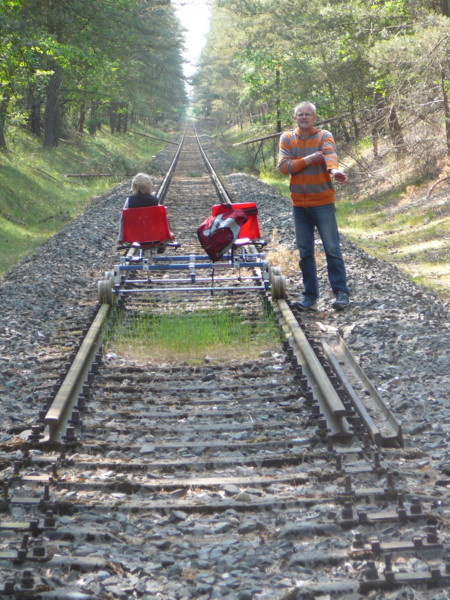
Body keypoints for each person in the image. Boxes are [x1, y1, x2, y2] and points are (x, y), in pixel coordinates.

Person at [278, 101, 350, 310]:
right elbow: (284, 166)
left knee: (332, 249)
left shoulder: (324, 135)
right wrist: (309, 159)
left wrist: (334, 171)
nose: (304, 117)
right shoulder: (287, 138)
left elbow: (329, 154)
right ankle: (310, 295)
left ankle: (341, 293)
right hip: (299, 206)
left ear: (314, 118)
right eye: (300, 114)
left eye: (307, 114)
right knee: (305, 252)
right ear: (295, 118)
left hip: (322, 203)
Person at [118, 173, 159, 242]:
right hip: (152, 233)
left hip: (134, 234)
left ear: (134, 187)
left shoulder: (129, 201)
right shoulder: (155, 200)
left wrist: (120, 238)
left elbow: (123, 219)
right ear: (149, 187)